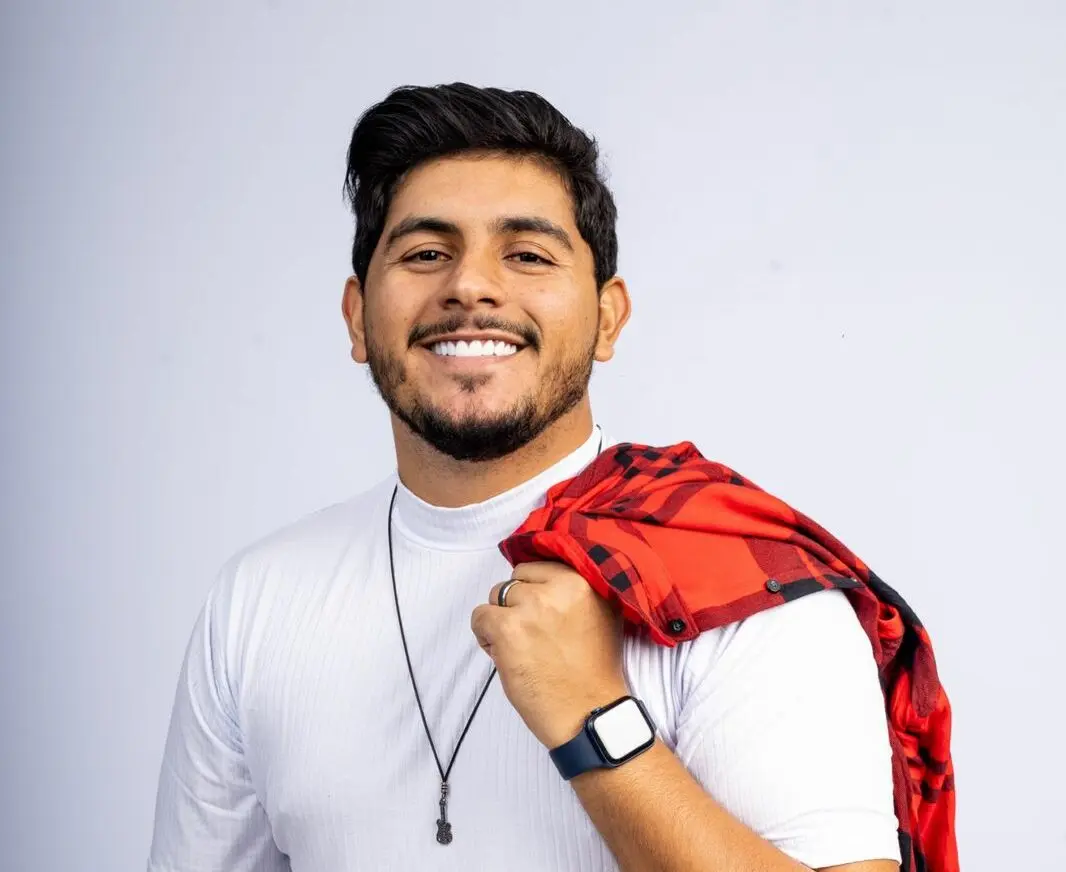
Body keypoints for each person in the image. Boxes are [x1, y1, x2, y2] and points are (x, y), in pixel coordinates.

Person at [147, 83, 907, 871]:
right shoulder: (257, 599)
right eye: (425, 254)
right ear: (357, 317)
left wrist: (595, 716)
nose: (470, 286)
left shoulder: (739, 585)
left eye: (528, 255)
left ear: (608, 318)